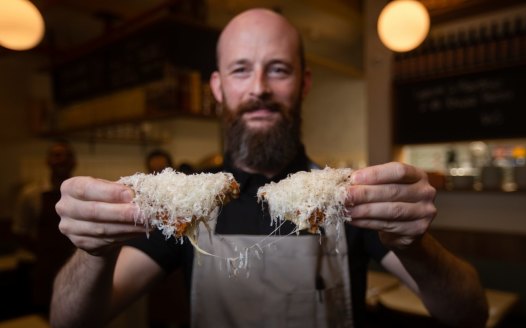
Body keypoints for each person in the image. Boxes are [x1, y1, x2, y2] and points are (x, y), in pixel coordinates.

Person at [50, 9, 489, 328]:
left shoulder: (348, 197)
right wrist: (95, 250)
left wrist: (417, 245)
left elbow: (469, 314)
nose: (259, 88)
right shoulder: (182, 207)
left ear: (305, 82)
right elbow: (69, 321)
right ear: (218, 89)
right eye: (241, 70)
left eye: (278, 69)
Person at [12, 139, 77, 315]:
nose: (62, 159)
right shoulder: (30, 194)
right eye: (57, 155)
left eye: (68, 156)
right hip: (41, 268)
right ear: (48, 161)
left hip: (73, 266)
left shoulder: (80, 195)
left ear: (74, 162)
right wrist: (45, 253)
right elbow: (19, 231)